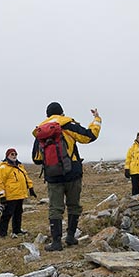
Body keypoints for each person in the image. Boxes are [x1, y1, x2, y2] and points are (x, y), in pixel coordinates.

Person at [32, 102, 102, 251]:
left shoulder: (41, 131)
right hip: (73, 173)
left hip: (52, 175)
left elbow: (36, 159)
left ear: (47, 115)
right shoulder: (68, 124)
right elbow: (90, 136)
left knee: (55, 208)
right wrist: (97, 119)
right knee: (73, 205)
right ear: (62, 113)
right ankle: (70, 237)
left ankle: (56, 242)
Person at [0, 148, 37, 238]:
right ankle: (2, 232)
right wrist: (2, 195)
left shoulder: (19, 166)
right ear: (7, 156)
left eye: (15, 154)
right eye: (12, 154)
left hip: (20, 194)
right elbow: (0, 182)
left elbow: (26, 177)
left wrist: (31, 187)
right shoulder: (3, 167)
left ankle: (17, 230)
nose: (14, 156)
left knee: (18, 212)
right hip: (10, 195)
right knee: (7, 214)